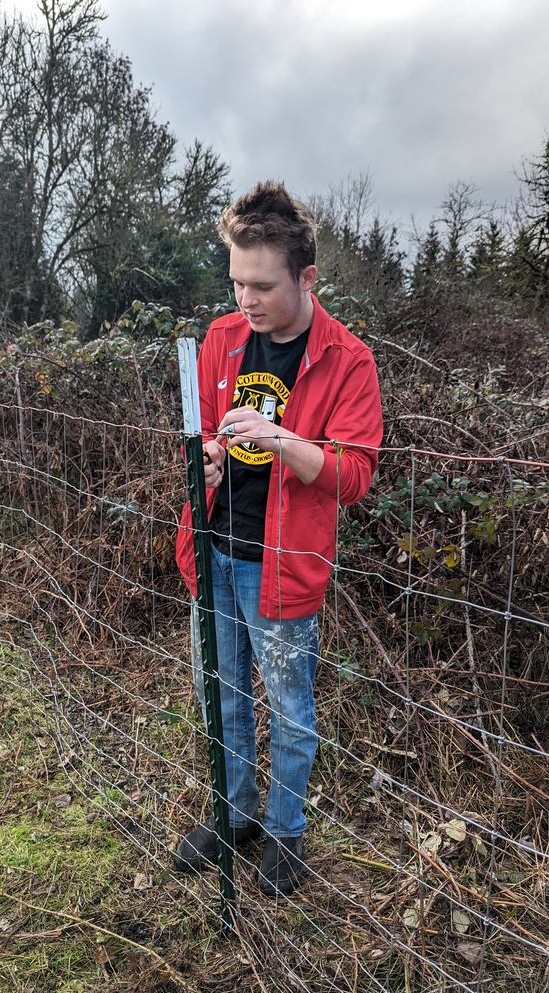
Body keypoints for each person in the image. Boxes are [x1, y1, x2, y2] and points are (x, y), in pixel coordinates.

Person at [174, 181, 383, 895]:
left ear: (306, 278)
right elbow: (197, 426)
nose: (246, 300)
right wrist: (204, 450)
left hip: (283, 568)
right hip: (213, 551)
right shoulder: (224, 338)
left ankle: (287, 833)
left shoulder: (348, 360)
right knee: (220, 693)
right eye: (236, 282)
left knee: (290, 709)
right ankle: (235, 818)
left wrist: (281, 437)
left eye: (262, 285)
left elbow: (353, 474)